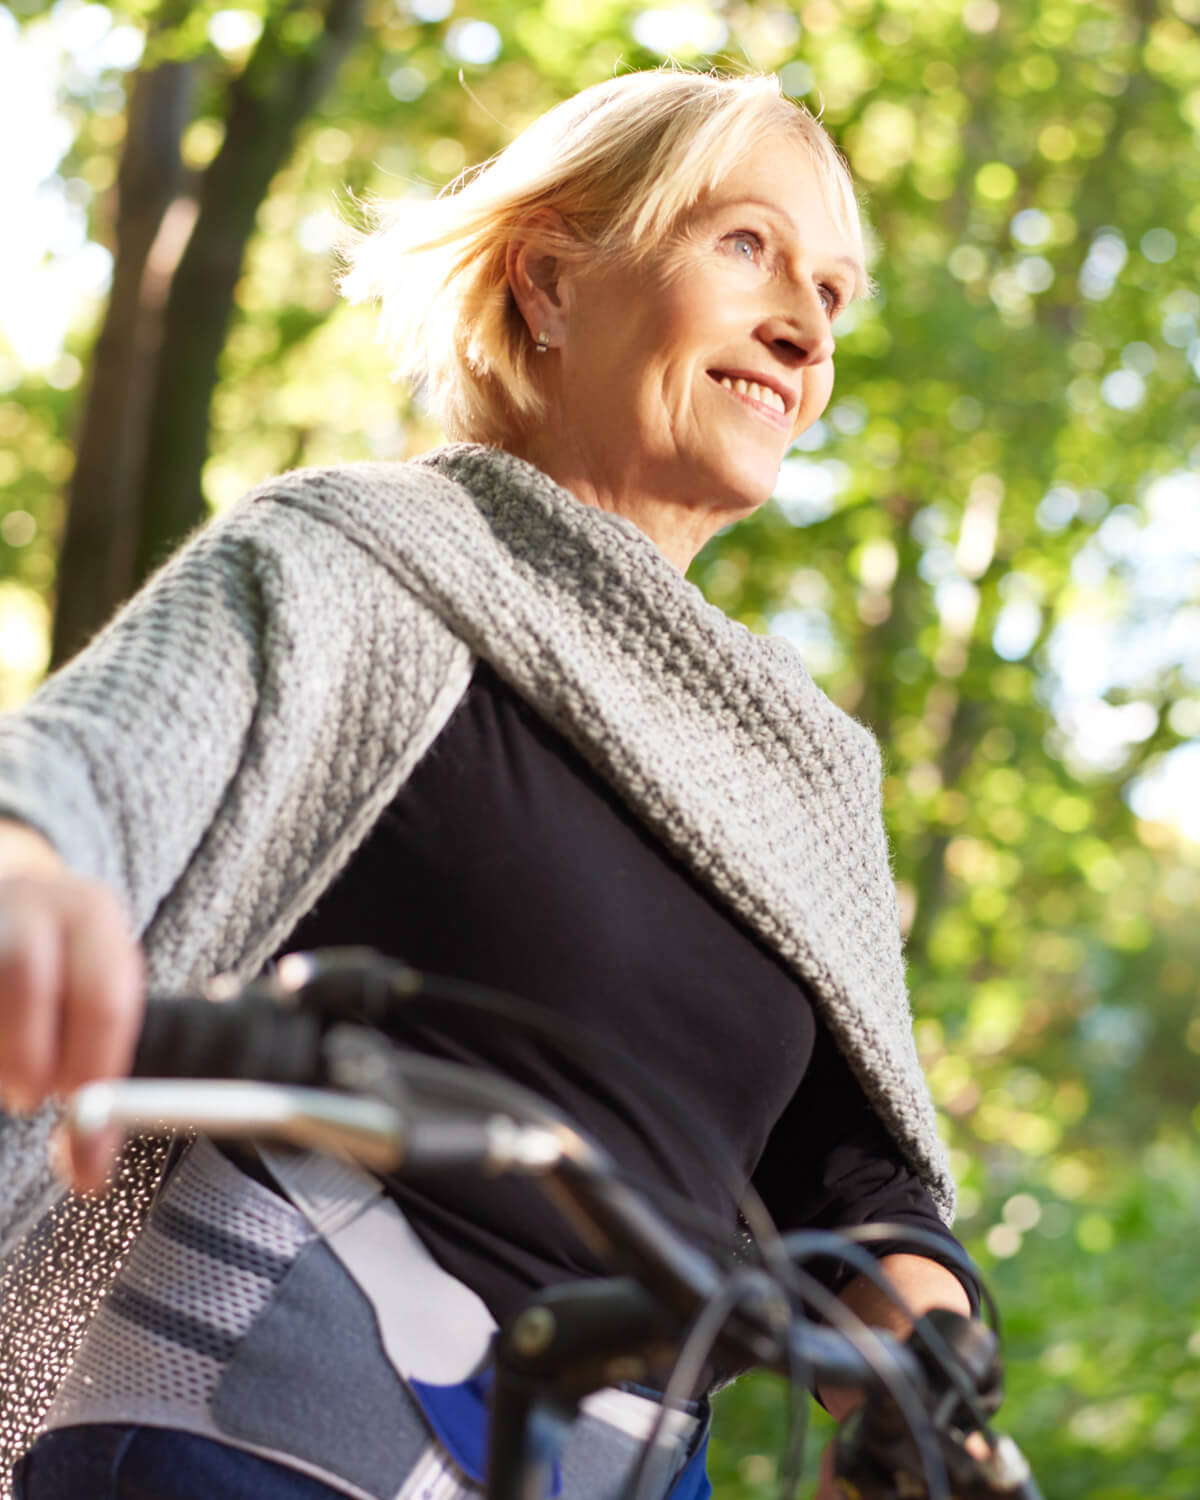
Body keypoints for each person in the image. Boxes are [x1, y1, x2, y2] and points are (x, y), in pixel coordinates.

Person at [0, 67, 975, 1500]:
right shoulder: (359, 559)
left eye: (832, 292)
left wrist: (924, 1358)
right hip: (249, 1431)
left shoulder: (807, 772)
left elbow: (850, 1179)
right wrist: (27, 872)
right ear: (549, 282)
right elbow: (92, 771)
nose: (805, 325)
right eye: (747, 245)